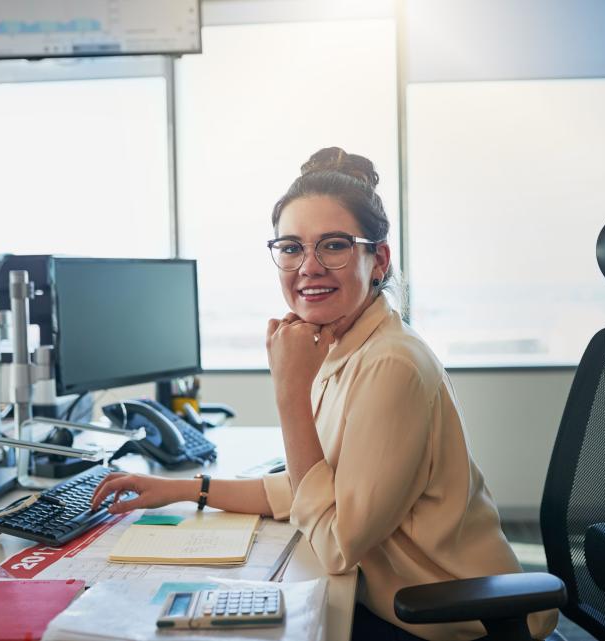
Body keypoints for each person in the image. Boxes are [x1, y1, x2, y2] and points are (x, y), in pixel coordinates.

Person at [91, 148, 558, 641]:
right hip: (395, 599)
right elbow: (308, 488)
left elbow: (336, 543)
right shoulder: (346, 346)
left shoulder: (390, 364)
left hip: (447, 618)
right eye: (291, 248)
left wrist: (290, 391)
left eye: (333, 245)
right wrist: (186, 490)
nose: (307, 267)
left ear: (377, 259)